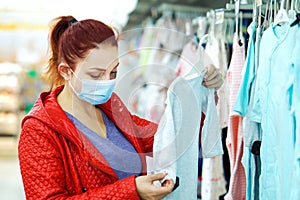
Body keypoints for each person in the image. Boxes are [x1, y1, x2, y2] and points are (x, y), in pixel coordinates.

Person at [18, 15, 224, 200]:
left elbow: (169, 137)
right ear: (65, 71)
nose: (107, 82)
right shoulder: (40, 130)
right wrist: (132, 191)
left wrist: (200, 93)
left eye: (113, 73)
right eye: (96, 75)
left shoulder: (112, 111)